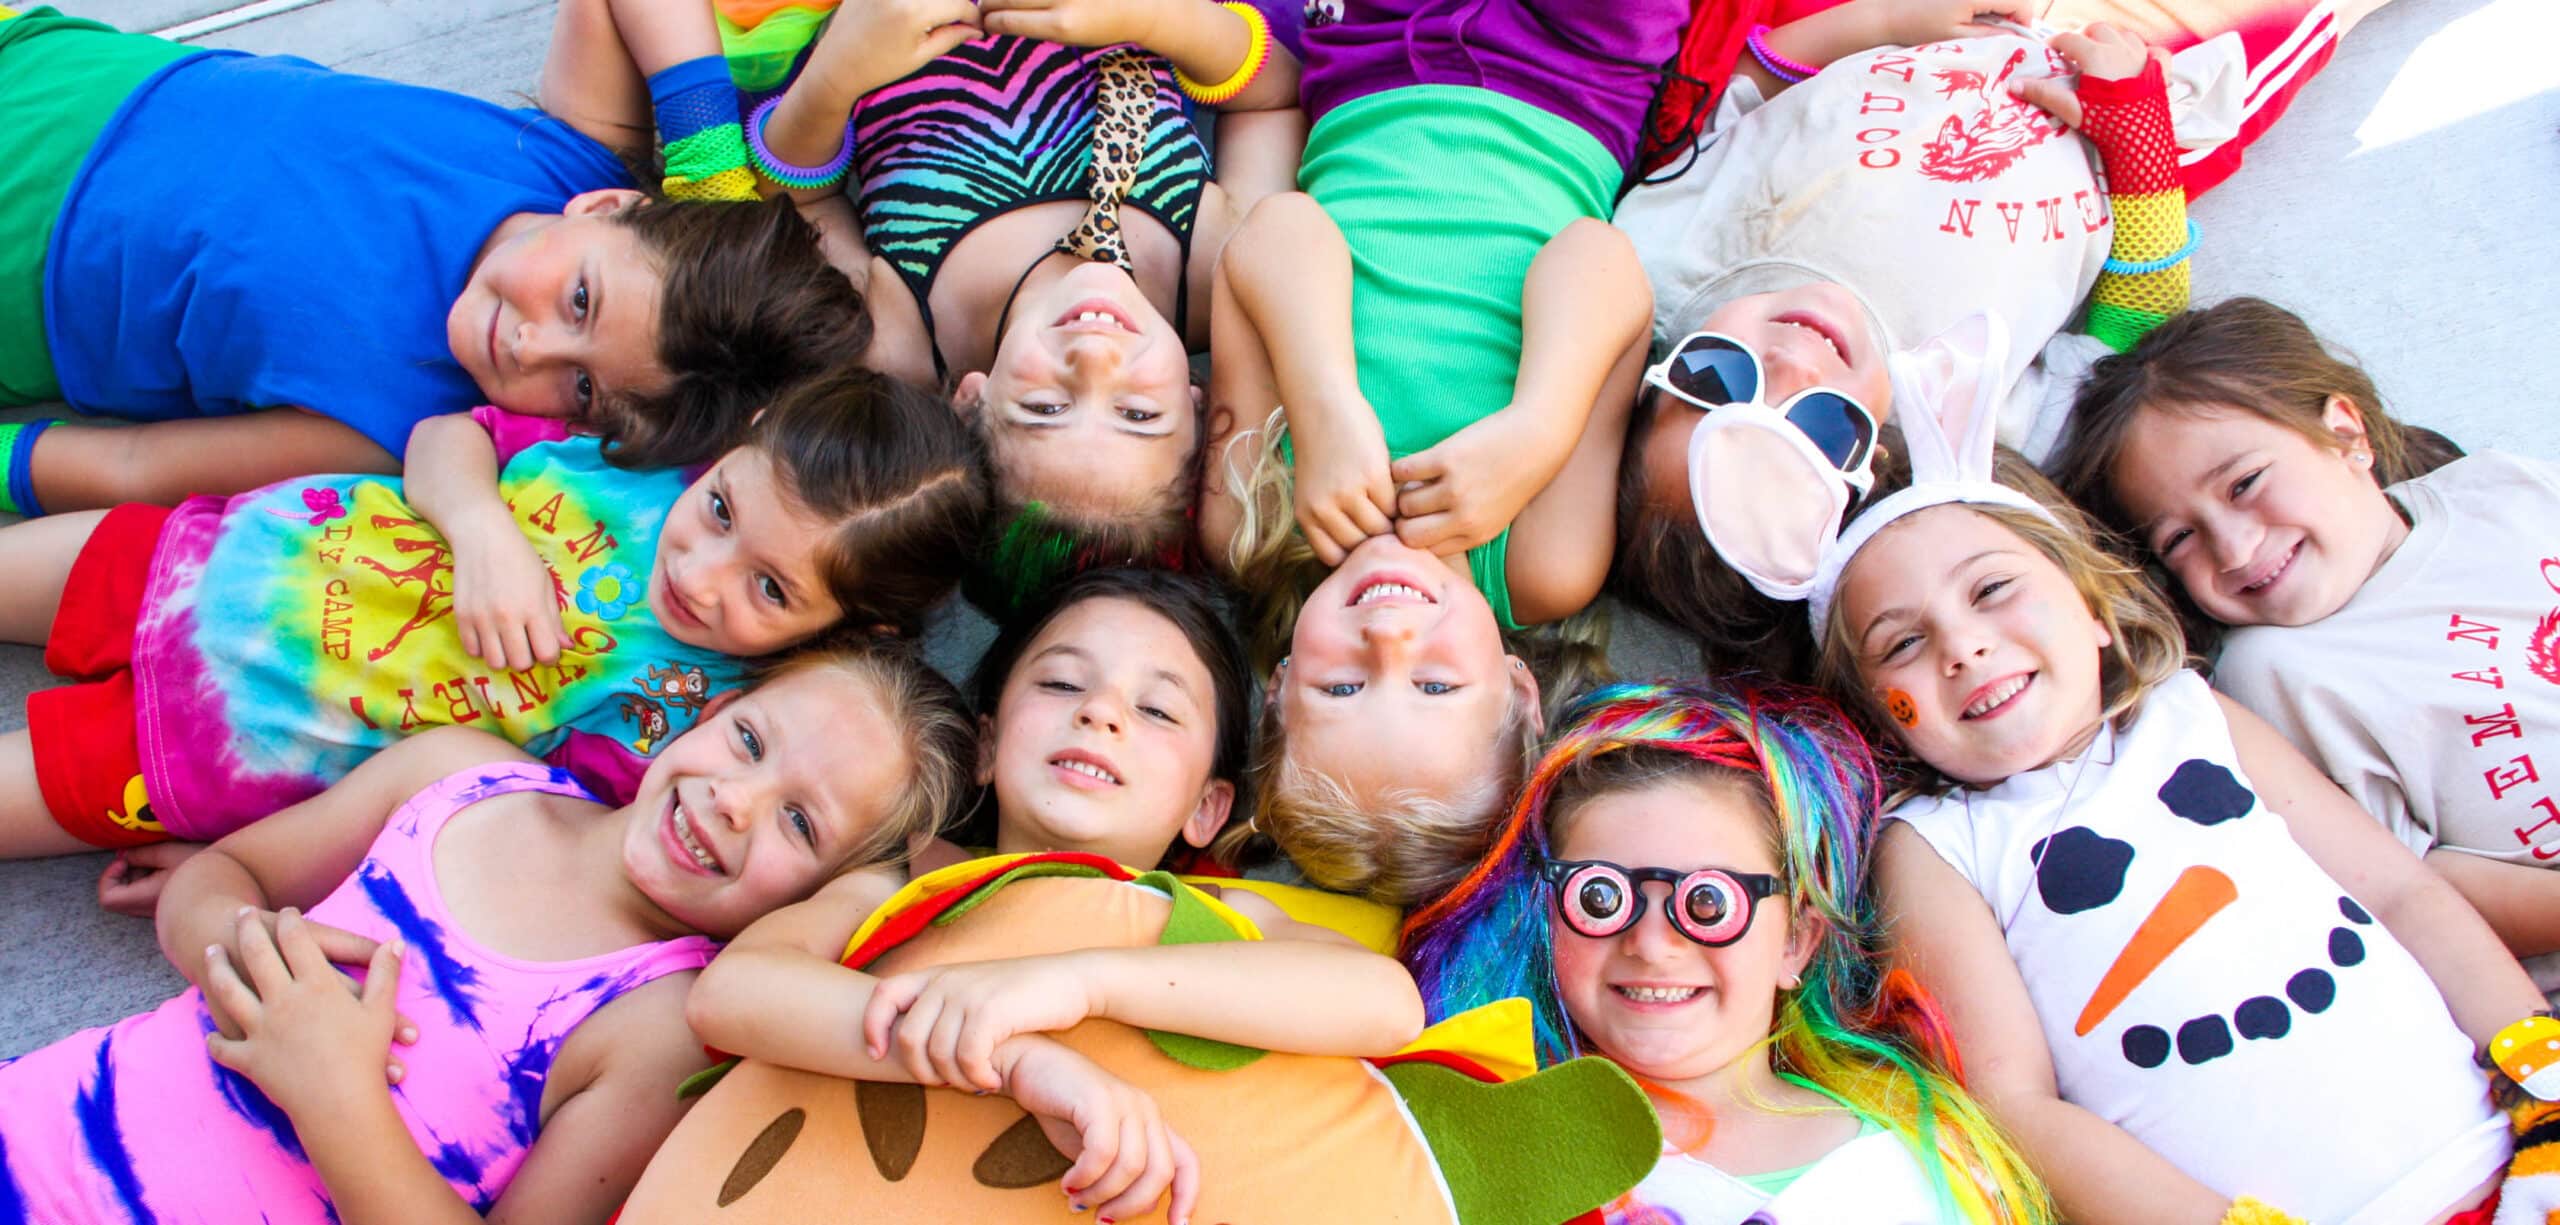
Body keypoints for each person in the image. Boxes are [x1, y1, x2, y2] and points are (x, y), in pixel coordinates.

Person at [1808, 386, 2543, 1222]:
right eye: (1902, 642)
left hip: (2505, 1149)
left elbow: (2402, 892)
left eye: (1992, 590)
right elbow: (2015, 1105)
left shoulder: (2191, 714)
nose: (1963, 646)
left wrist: (2545, 1078)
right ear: (1876, 713)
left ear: (2091, 607)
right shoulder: (1937, 848)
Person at [0, 642, 979, 1224]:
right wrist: (236, 943)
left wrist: (336, 1093)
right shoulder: (460, 775)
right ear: (708, 710)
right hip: (32, 1131)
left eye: (800, 822)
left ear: (824, 895)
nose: (734, 801)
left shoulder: (664, 1025)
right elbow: (218, 873)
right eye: (750, 741)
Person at [0, 371, 986, 911]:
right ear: (749, 431)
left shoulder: (700, 719)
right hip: (202, 558)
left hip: (206, 754)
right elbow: (444, 437)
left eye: (768, 588)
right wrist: (479, 527)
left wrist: (257, 869)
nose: (700, 572)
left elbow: (477, 815)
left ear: (859, 628)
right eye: (722, 508)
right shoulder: (644, 457)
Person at [682, 566, 1424, 1222]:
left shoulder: (1217, 916)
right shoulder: (909, 880)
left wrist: (1079, 984)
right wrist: (1013, 1060)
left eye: (1158, 710)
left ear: (1208, 808)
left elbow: (1387, 1003)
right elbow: (733, 991)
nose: (1100, 712)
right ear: (984, 745)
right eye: (1062, 682)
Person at [0, 5, 863, 513]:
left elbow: (133, 467)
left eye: (583, 389)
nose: (532, 349)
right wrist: (706, 153)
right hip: (61, 66)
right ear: (606, 210)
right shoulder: (573, 157)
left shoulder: (395, 421)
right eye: (579, 303)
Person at [589, 0, 1310, 606]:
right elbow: (1273, 87)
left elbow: (796, 194)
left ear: (971, 401)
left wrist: (842, 69)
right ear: (1195, 402)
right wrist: (1144, 15)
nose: (1095, 358)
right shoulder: (1216, 263)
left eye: (1046, 407)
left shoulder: (905, 333)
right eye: (1137, 413)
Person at [1198, 0, 1681, 903]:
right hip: (1575, 75)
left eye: (1343, 689)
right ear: (1518, 689)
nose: (1389, 637)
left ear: (1280, 686)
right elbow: (1601, 258)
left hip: (1369, 60)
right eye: (1434, 684)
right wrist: (1538, 430)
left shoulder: (1252, 519)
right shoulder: (1542, 566)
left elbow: (1277, 229)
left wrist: (1328, 410)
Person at [1610, 17, 2209, 675]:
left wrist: (1887, 17)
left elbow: (1745, 97)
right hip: (2135, 89)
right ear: (1876, 470)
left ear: (1653, 375)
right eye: (1821, 429)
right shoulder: (1964, 412)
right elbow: (2134, 335)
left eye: (1716, 382)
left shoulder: (1658, 264)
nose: (1793, 365)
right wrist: (2141, 139)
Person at [2047, 297, 2560, 992]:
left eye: (2245, 483)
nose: (2232, 546)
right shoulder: (2276, 674)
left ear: (2346, 432)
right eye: (2180, 539)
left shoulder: (2495, 489)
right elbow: (2417, 885)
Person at [1404, 679, 2053, 1223]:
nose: (1652, 944)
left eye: (1708, 904)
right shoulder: (1494, 1149)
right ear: (1548, 917)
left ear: (1796, 939)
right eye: (1601, 898)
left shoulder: (1931, 1152)